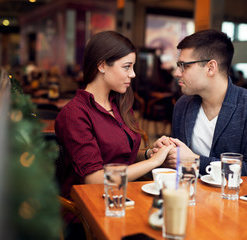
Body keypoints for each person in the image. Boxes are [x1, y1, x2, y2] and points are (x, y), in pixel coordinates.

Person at [151, 29, 247, 195]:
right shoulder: (183, 105)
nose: (177, 73)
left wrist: (196, 161)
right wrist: (169, 153)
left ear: (211, 67)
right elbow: (182, 164)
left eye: (184, 66)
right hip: (199, 199)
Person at [55, 31, 173, 200]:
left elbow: (121, 153)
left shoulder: (120, 105)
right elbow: (94, 179)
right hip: (88, 207)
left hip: (123, 197)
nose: (133, 74)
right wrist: (152, 163)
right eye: (127, 67)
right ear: (102, 65)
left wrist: (150, 153)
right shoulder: (74, 114)